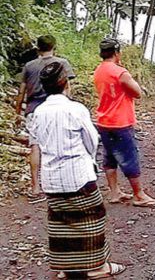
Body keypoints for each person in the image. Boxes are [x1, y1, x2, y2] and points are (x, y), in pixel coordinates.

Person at [29, 62, 126, 278]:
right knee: (92, 218)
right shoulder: (76, 109)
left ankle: (67, 268)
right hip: (78, 175)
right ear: (65, 84)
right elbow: (91, 141)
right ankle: (97, 267)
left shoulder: (38, 113)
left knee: (60, 222)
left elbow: (37, 144)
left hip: (52, 178)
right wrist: (88, 160)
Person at [93, 38, 155, 207]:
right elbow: (137, 92)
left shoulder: (99, 70)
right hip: (120, 121)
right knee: (129, 157)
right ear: (117, 53)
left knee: (109, 157)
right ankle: (138, 194)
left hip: (104, 120)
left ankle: (114, 192)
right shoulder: (120, 72)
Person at [15, 35, 76, 204]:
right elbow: (67, 89)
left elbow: (22, 91)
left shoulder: (29, 66)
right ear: (54, 47)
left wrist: (18, 111)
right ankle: (60, 185)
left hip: (34, 110)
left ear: (37, 49)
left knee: (35, 146)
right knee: (59, 144)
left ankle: (35, 187)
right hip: (56, 108)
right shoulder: (62, 63)